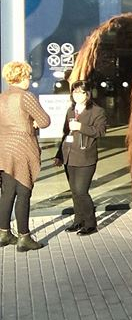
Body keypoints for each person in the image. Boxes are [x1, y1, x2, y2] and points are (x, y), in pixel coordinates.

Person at [0, 60, 51, 251]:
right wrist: (33, 123)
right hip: (22, 149)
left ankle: (3, 233)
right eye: (28, 75)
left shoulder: (2, 97)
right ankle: (24, 238)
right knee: (23, 193)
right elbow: (45, 121)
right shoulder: (26, 96)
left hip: (4, 150)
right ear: (20, 77)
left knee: (6, 194)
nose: (29, 79)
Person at [53, 81, 107, 235]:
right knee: (74, 192)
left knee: (81, 191)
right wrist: (59, 155)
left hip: (85, 157)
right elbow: (65, 134)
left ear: (88, 94)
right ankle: (78, 221)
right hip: (69, 156)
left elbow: (101, 131)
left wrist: (81, 127)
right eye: (75, 92)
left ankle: (90, 223)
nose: (77, 95)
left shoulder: (97, 111)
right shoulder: (71, 110)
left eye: (81, 92)